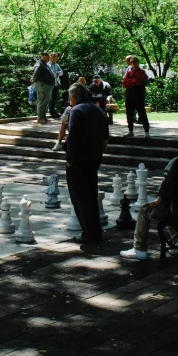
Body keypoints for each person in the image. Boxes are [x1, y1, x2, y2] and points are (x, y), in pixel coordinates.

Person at [120, 134, 178, 260]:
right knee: (167, 206)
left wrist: (157, 201)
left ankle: (139, 248)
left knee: (145, 209)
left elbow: (166, 188)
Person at [65, 82, 109, 245]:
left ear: (75, 98)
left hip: (78, 161)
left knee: (80, 198)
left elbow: (73, 138)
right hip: (94, 159)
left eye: (70, 99)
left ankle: (89, 233)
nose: (69, 102)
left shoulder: (76, 111)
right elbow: (105, 139)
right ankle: (94, 231)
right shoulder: (99, 110)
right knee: (91, 196)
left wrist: (70, 160)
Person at [122, 56, 150, 139]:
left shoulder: (142, 72)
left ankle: (146, 132)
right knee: (129, 114)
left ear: (138, 62)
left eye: (134, 62)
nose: (133, 63)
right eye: (131, 62)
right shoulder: (129, 73)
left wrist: (131, 82)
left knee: (142, 113)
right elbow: (124, 83)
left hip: (139, 95)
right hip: (129, 94)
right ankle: (130, 131)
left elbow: (139, 81)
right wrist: (132, 82)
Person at [31, 53, 56, 124]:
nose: (49, 60)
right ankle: (40, 118)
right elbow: (36, 74)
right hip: (42, 85)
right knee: (42, 101)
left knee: (45, 101)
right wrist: (34, 80)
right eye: (48, 58)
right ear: (44, 57)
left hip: (47, 85)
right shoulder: (39, 64)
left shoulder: (44, 64)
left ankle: (43, 117)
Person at [47, 52, 63, 118]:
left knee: (54, 98)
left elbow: (61, 72)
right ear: (50, 57)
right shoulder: (47, 64)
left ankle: (53, 111)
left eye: (56, 57)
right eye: (53, 56)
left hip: (57, 83)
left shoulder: (57, 65)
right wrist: (56, 73)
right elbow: (50, 73)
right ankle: (51, 112)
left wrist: (56, 73)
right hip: (50, 83)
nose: (54, 58)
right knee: (50, 98)